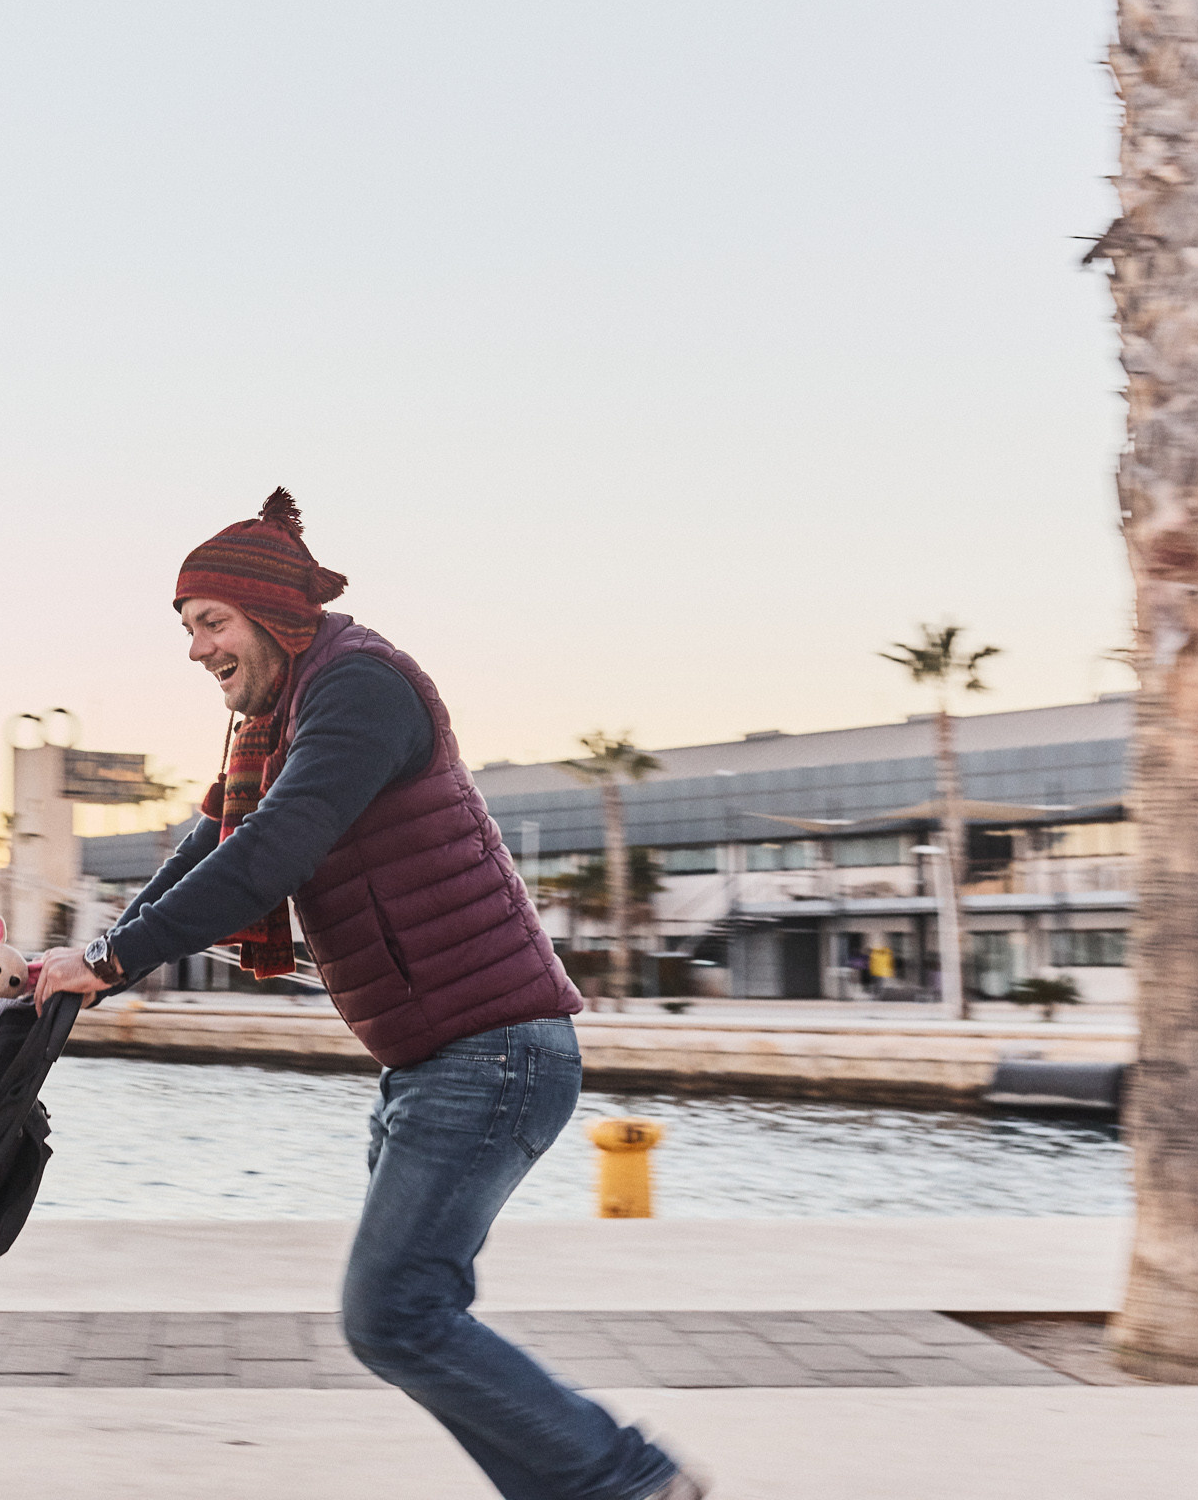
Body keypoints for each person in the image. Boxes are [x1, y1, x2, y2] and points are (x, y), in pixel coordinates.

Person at [36, 490, 701, 1500]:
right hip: (437, 1059)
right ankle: (588, 1488)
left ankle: (628, 1475)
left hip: (492, 1052)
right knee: (417, 1318)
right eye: (186, 628)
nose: (195, 648)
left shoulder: (361, 688)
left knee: (393, 1316)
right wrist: (100, 953)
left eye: (210, 622)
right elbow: (210, 844)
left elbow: (272, 852)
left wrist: (118, 961)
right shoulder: (287, 716)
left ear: (273, 614)